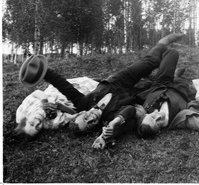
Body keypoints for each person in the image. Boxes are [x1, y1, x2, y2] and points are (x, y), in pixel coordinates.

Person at [17, 33, 184, 141]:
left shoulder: (82, 103)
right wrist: (113, 128)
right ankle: (174, 74)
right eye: (90, 124)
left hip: (118, 80)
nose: (91, 118)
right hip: (133, 93)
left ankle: (162, 44)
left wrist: (43, 71)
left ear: (81, 113)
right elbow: (131, 113)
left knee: (150, 62)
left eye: (85, 118)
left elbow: (62, 85)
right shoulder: (108, 118)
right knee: (157, 87)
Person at [132, 49, 199, 153]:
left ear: (146, 114)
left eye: (152, 117)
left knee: (172, 53)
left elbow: (125, 109)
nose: (158, 117)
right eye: (157, 123)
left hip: (160, 83)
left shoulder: (145, 109)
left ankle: (163, 74)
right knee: (182, 81)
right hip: (179, 88)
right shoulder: (177, 119)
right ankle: (175, 75)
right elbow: (198, 122)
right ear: (159, 131)